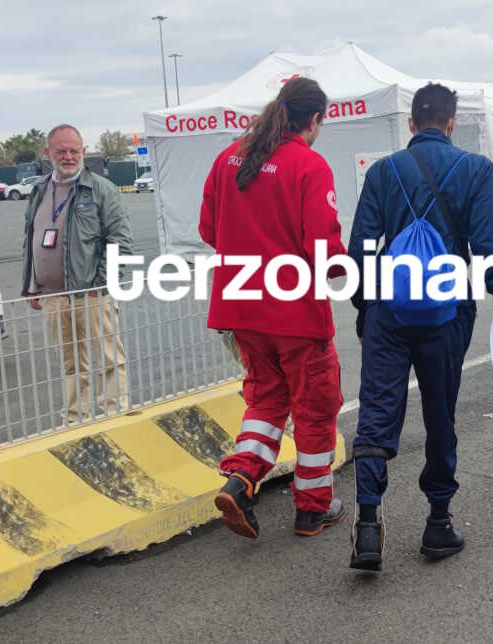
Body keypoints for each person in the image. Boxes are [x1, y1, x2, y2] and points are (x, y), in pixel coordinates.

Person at [347, 83, 493, 570]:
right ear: (452, 123)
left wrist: (366, 310)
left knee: (377, 413)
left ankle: (368, 526)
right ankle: (437, 523)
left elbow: (362, 251)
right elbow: (489, 251)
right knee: (439, 417)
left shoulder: (384, 172)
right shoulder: (475, 170)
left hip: (390, 311)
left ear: (411, 124)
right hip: (448, 313)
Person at [200, 77, 348, 539]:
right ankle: (312, 509)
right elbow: (322, 249)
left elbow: (209, 229)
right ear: (315, 119)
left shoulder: (228, 158)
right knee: (315, 407)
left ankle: (241, 480)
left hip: (241, 306)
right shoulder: (309, 165)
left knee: (265, 401)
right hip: (294, 313)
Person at [21, 124, 131, 423]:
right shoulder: (39, 190)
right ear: (48, 154)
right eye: (61, 151)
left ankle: (115, 417)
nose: (68, 157)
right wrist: (31, 285)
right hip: (54, 296)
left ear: (83, 152)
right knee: (71, 363)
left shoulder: (100, 190)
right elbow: (31, 238)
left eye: (73, 151)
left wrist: (101, 283)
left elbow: (120, 241)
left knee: (109, 359)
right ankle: (75, 419)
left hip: (92, 294)